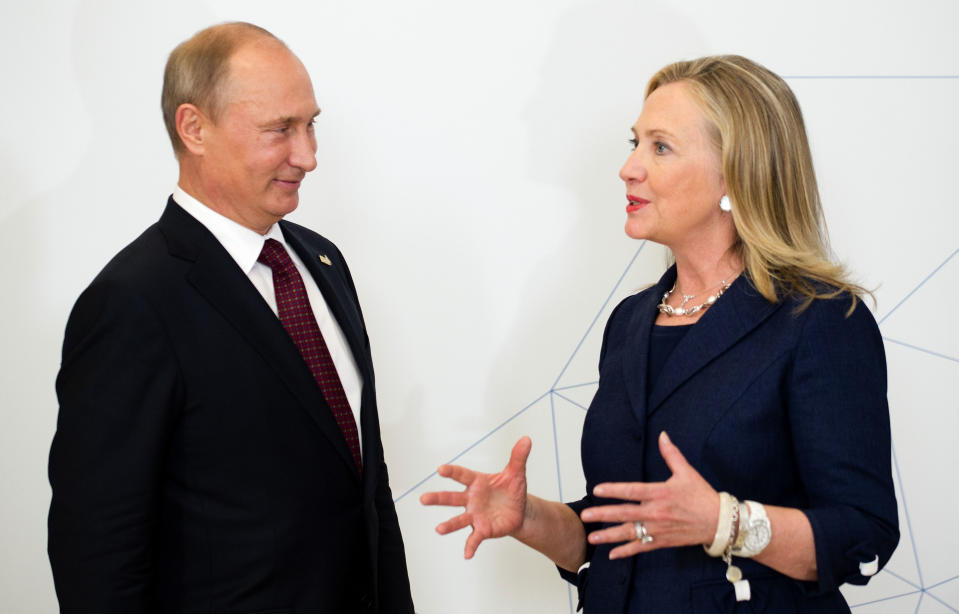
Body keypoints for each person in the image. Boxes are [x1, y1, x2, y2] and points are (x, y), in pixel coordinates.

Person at [421, 55, 898, 612]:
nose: (629, 167)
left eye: (660, 146)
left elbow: (862, 537)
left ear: (736, 172)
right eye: (634, 142)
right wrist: (528, 518)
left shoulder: (818, 320)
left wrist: (726, 522)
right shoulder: (631, 321)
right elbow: (620, 533)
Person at [48, 22, 414, 614]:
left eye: (311, 124)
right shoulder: (132, 302)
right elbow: (97, 549)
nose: (309, 156)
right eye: (281, 130)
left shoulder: (323, 262)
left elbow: (365, 492)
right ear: (194, 127)